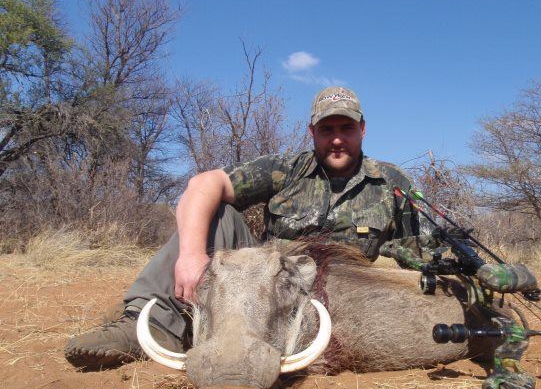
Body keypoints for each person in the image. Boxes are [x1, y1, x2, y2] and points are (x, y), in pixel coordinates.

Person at [64, 86, 427, 368]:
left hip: (343, 299)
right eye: (326, 129)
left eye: (346, 128)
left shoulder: (392, 182)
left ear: (362, 129)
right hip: (265, 283)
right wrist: (190, 256)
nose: (336, 138)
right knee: (219, 213)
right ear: (311, 132)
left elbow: (420, 253)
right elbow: (204, 184)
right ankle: (151, 325)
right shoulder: (286, 169)